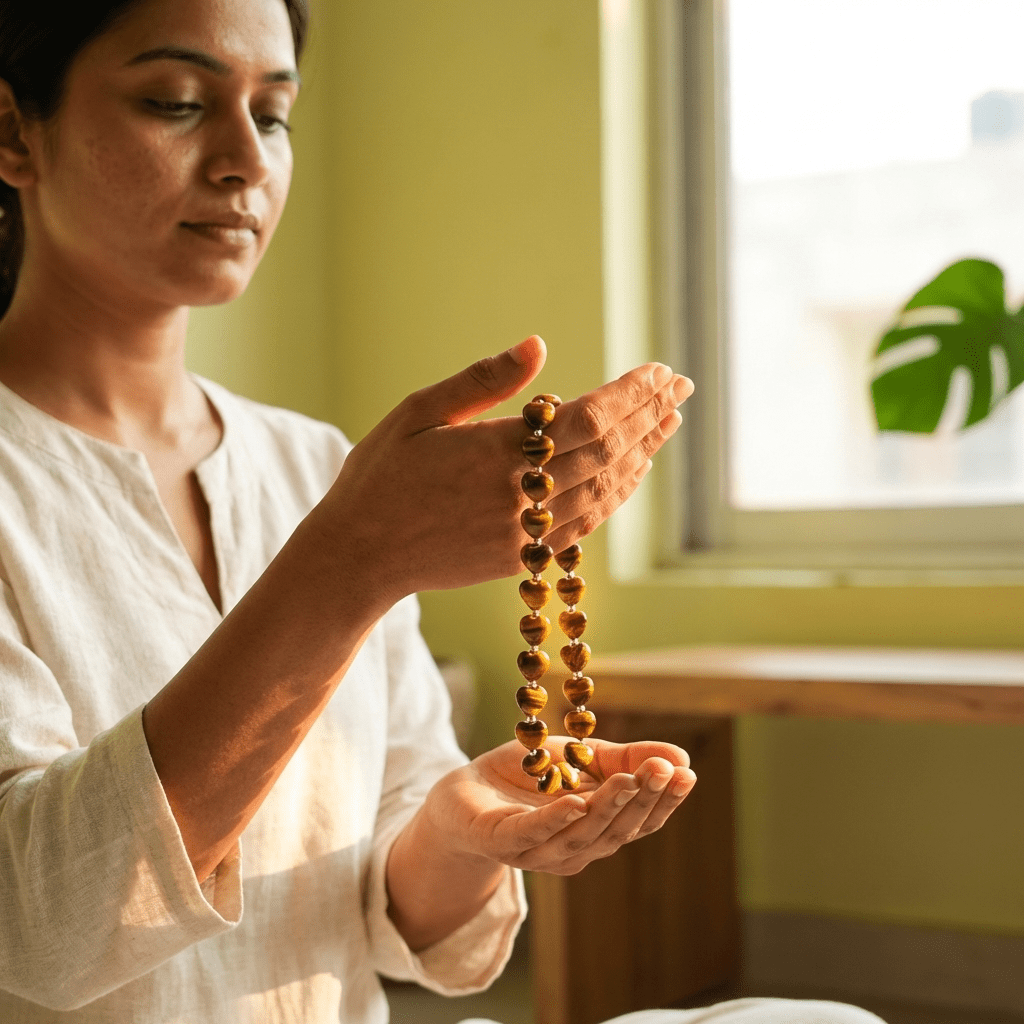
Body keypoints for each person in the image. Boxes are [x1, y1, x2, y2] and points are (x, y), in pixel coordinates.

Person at [0, 2, 887, 1022]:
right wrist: (347, 564)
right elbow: (36, 930)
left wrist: (462, 837)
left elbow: (387, 887)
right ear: (16, 133)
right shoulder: (340, 506)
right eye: (177, 101)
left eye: (275, 114)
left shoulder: (312, 462)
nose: (246, 159)